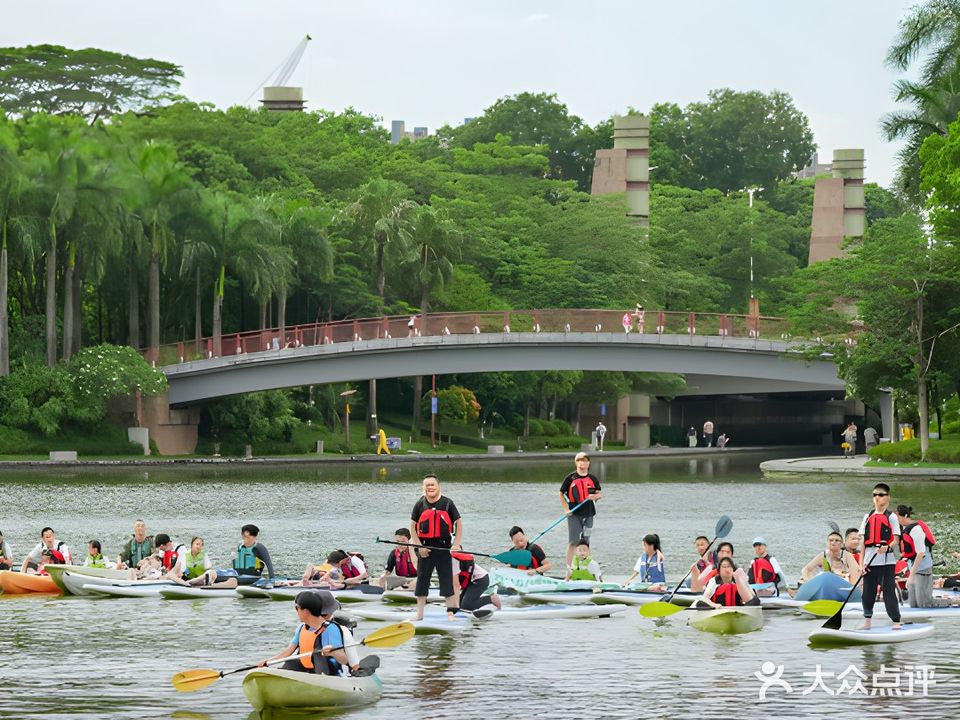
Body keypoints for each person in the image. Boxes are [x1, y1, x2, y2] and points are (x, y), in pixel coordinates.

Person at [259, 590, 359, 676]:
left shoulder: (334, 629)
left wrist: (334, 652)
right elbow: (288, 652)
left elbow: (346, 661)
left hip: (328, 672)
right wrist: (268, 662)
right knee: (292, 661)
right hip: (308, 669)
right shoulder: (301, 628)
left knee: (319, 656)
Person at [410, 474, 462, 621]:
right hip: (425, 548)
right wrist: (419, 547)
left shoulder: (447, 503)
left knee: (446, 579)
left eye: (432, 485)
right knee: (422, 580)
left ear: (438, 486)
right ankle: (419, 614)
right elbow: (413, 527)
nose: (430, 488)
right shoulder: (420, 504)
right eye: (427, 485)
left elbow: (458, 523)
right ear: (423, 488)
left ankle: (450, 612)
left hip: (444, 547)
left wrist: (456, 543)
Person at [859, 483, 901, 630]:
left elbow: (895, 539)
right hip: (869, 562)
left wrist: (887, 547)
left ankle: (896, 621)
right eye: (875, 495)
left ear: (887, 498)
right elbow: (863, 543)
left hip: (886, 562)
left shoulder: (892, 517)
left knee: (888, 592)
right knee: (867, 593)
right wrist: (861, 565)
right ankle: (867, 621)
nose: (877, 497)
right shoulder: (868, 516)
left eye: (881, 495)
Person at [560, 451, 602, 568]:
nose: (581, 463)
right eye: (579, 461)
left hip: (589, 514)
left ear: (588, 463)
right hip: (574, 513)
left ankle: (588, 567)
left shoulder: (592, 478)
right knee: (573, 541)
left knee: (586, 540)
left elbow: (599, 494)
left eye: (584, 461)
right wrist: (566, 509)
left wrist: (595, 497)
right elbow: (561, 494)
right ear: (575, 463)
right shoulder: (570, 478)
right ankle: (569, 568)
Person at [896, 505, 936, 608]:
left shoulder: (916, 529)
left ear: (905, 515)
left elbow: (921, 553)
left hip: (923, 569)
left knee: (924, 603)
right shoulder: (905, 529)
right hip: (913, 568)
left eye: (898, 518)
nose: (897, 521)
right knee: (913, 603)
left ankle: (954, 604)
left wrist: (911, 575)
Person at [233, 524, 277, 588]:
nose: (248, 539)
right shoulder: (240, 547)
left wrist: (272, 580)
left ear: (255, 536)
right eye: (245, 537)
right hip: (239, 577)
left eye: (250, 537)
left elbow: (269, 565)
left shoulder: (259, 548)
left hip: (254, 579)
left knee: (232, 580)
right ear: (242, 535)